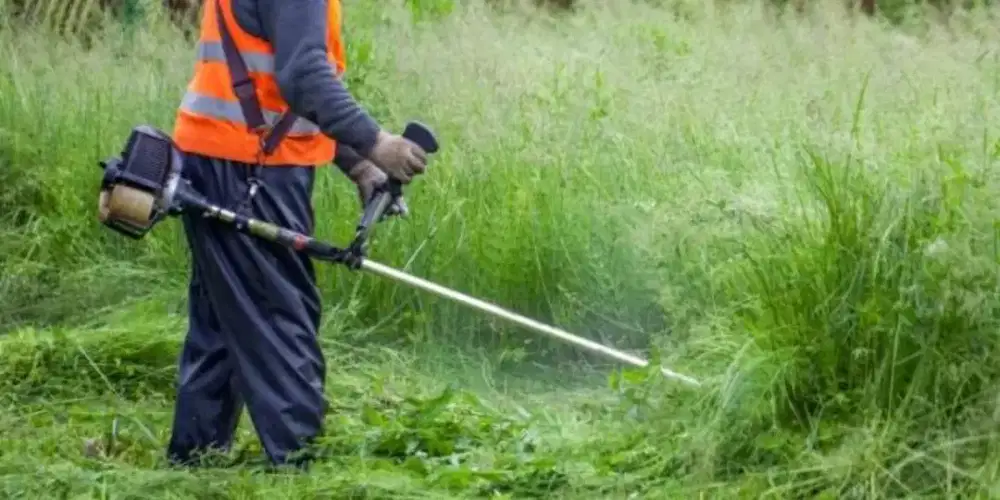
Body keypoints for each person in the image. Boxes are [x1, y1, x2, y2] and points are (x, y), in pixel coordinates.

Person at [164, 0, 428, 467]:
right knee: (279, 316)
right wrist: (377, 143)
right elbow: (303, 75)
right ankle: (299, 464)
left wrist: (358, 164)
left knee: (222, 319)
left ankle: (195, 459)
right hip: (252, 168)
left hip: (220, 157)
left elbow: (283, 90)